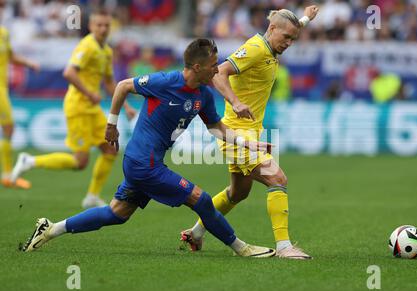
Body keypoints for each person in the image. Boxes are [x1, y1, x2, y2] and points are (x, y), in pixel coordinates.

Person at [20, 38, 276, 259]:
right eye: (213, 65)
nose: (217, 70)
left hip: (147, 162)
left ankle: (51, 229)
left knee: (117, 213)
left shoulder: (204, 96)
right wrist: (112, 124)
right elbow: (122, 86)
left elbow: (216, 128)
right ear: (197, 67)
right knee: (202, 199)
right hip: (144, 164)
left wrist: (248, 143)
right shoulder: (165, 81)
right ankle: (241, 248)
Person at [181, 6, 319, 260]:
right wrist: (235, 101)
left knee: (238, 193)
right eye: (286, 37)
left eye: (293, 39)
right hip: (237, 135)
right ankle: (284, 246)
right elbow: (219, 73)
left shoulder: (272, 43)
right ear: (272, 29)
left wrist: (306, 18)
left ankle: (197, 232)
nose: (289, 43)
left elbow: (289, 26)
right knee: (277, 179)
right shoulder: (255, 49)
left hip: (249, 133)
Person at [11, 10, 136, 208]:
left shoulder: (106, 51)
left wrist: (127, 106)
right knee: (80, 162)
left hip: (92, 108)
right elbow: (69, 73)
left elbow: (110, 82)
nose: (103, 29)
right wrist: (89, 93)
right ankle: (30, 161)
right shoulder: (87, 46)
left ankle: (92, 196)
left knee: (110, 149)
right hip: (78, 106)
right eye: (99, 25)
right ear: (91, 27)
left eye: (106, 26)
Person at [0, 0, 40, 189]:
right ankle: (7, 174)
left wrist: (28, 63)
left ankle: (7, 174)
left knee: (8, 128)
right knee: (9, 127)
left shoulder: (3, 33)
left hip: (2, 89)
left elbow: (10, 56)